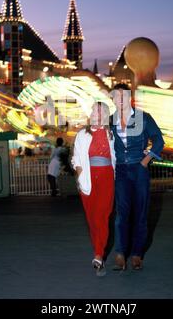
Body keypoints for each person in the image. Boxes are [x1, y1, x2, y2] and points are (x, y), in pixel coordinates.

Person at [110, 83, 165, 270]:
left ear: (130, 97)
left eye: (123, 96)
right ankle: (119, 253)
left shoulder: (143, 117)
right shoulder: (110, 120)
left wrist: (145, 160)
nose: (120, 100)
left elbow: (159, 139)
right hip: (121, 170)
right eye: (116, 96)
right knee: (122, 213)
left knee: (140, 213)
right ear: (112, 99)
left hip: (138, 168)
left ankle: (136, 254)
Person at [71, 102, 116, 276]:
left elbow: (118, 155)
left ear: (104, 114)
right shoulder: (82, 134)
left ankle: (98, 254)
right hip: (88, 179)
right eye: (93, 111)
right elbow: (76, 158)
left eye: (98, 111)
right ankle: (99, 250)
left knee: (102, 216)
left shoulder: (112, 133)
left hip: (106, 178)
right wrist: (80, 174)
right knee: (91, 219)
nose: (94, 114)